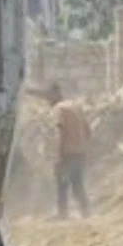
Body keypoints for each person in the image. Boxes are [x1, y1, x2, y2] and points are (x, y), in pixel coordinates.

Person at [46, 83, 91, 219]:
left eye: (48, 97)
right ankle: (86, 213)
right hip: (80, 152)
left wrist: (58, 156)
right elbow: (88, 130)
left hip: (67, 154)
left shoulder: (58, 109)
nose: (48, 100)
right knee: (78, 184)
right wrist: (83, 145)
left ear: (54, 95)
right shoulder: (76, 106)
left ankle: (63, 216)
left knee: (62, 186)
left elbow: (59, 133)